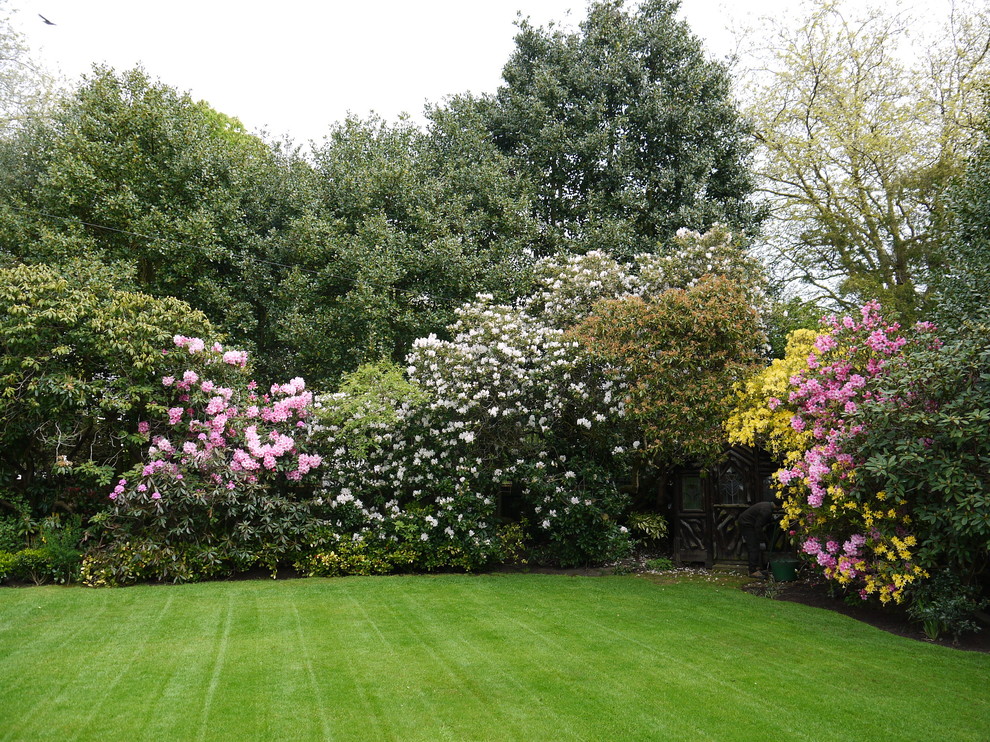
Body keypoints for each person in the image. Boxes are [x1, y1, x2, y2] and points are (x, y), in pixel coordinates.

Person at [738, 501, 774, 578]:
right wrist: (762, 539)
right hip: (746, 524)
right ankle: (752, 571)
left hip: (748, 522)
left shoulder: (766, 505)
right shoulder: (767, 510)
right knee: (753, 546)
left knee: (755, 546)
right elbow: (758, 526)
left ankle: (756, 567)